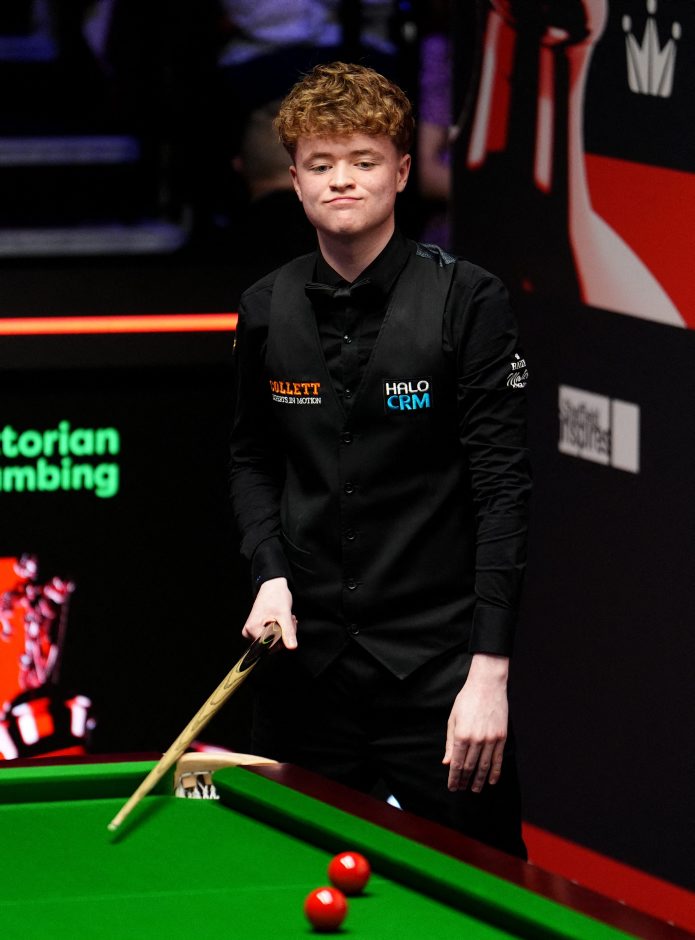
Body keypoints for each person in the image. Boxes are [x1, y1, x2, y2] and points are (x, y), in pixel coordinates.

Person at [229, 62, 531, 857]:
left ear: (400, 172)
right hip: (305, 673)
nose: (341, 180)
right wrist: (268, 573)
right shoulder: (264, 307)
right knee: (277, 876)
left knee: (485, 885)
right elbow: (252, 460)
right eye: (320, 163)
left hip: (436, 675)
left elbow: (502, 489)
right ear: (295, 180)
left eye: (362, 160)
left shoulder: (469, 300)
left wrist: (488, 673)